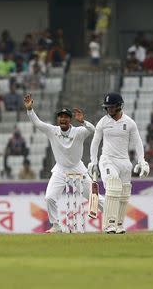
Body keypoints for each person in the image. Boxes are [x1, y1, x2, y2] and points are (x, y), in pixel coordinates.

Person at [24, 94, 104, 233]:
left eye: (66, 117)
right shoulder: (52, 131)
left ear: (70, 119)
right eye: (61, 117)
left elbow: (94, 131)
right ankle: (56, 225)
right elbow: (37, 123)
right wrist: (30, 110)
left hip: (78, 168)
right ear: (58, 119)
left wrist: (84, 121)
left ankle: (111, 220)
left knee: (94, 198)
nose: (63, 119)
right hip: (60, 170)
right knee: (49, 198)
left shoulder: (78, 132)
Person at [89, 92, 149, 234]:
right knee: (113, 186)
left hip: (124, 162)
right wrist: (93, 162)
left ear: (119, 106)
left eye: (111, 106)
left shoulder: (129, 123)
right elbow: (95, 142)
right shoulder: (103, 122)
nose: (109, 109)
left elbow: (138, 142)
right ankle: (109, 225)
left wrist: (142, 161)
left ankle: (119, 225)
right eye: (107, 107)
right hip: (108, 160)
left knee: (124, 192)